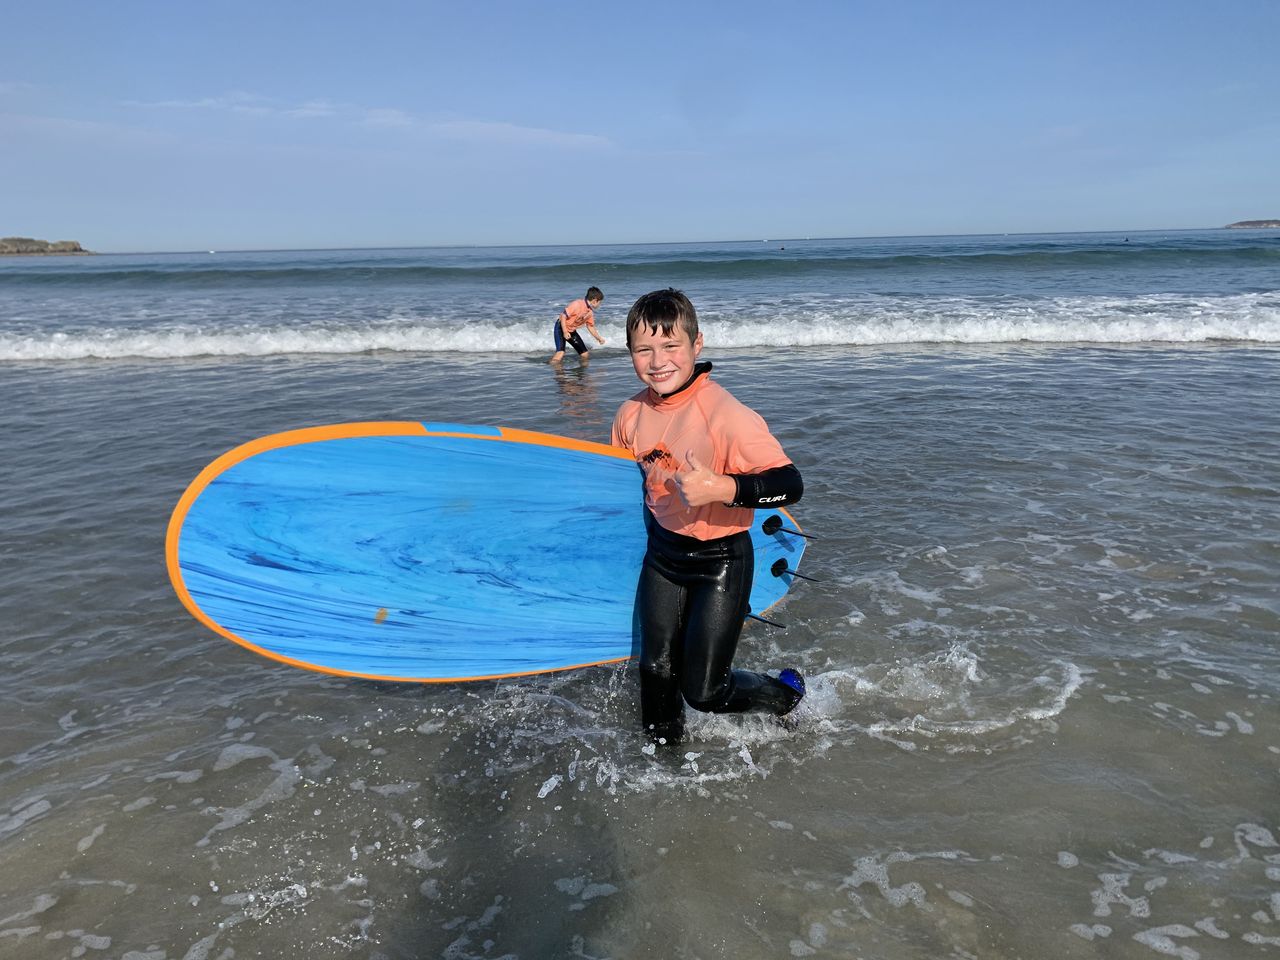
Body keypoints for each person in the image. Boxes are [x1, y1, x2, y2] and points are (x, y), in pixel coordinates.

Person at [610, 288, 805, 744]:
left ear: (696, 344)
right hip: (663, 556)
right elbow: (619, 495)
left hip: (720, 561)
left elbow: (790, 483)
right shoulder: (630, 415)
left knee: (704, 691)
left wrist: (725, 488)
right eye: (643, 349)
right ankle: (665, 768)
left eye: (671, 345)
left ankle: (786, 696)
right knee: (655, 671)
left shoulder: (725, 415)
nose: (658, 361)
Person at [549, 286, 606, 363]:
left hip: (571, 330)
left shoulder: (589, 312)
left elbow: (590, 326)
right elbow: (563, 316)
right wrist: (565, 332)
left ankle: (581, 370)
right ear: (595, 300)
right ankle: (552, 368)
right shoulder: (577, 304)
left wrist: (598, 338)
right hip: (561, 327)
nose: (600, 305)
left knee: (584, 354)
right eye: (600, 303)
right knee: (560, 353)